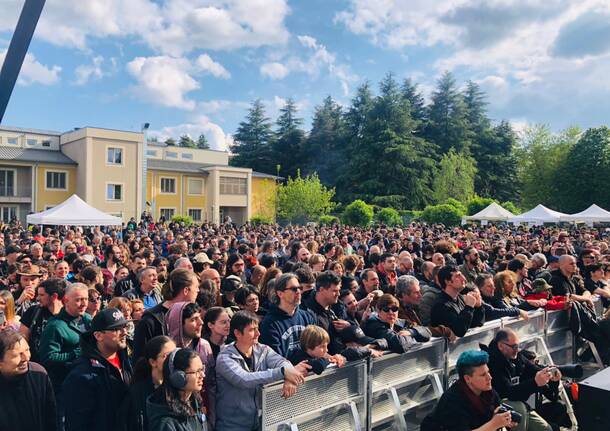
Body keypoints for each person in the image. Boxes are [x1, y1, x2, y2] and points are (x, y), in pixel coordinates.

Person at [215, 311, 310, 431]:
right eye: (252, 330)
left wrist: (288, 378)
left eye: (257, 329)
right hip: (232, 426)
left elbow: (283, 362)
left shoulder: (263, 349)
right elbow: (244, 379)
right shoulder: (224, 358)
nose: (258, 334)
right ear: (237, 333)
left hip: (259, 423)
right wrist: (282, 372)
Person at [62, 308, 133, 431]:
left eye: (125, 327)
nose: (124, 332)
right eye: (116, 329)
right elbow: (77, 423)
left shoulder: (126, 360)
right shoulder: (82, 374)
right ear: (98, 335)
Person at [422, 350, 516, 431]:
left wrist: (502, 420)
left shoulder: (488, 392)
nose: (489, 377)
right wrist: (493, 424)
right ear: (467, 379)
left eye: (488, 372)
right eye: (483, 375)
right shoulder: (452, 401)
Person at [484, 329, 556, 431]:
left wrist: (550, 374)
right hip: (497, 407)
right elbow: (509, 392)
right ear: (500, 346)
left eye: (518, 345)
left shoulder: (516, 357)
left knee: (546, 429)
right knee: (519, 407)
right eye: (514, 346)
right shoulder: (492, 362)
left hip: (519, 405)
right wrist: (535, 383)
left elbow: (533, 369)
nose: (517, 350)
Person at [133, 268, 199, 359]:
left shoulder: (192, 317)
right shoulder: (150, 320)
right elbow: (140, 358)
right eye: (196, 287)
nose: (198, 291)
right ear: (186, 290)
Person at [39, 282, 92, 392]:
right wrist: (74, 354)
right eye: (78, 300)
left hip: (88, 380)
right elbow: (47, 358)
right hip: (66, 384)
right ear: (66, 300)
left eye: (86, 299)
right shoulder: (55, 326)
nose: (83, 304)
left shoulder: (88, 319)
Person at [0, 328, 57, 431]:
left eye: (27, 350)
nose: (26, 358)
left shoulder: (39, 374)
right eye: (17, 355)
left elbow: (51, 417)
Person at [119, 336, 176, 431]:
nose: (172, 360)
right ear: (153, 362)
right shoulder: (138, 392)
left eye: (174, 354)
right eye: (167, 356)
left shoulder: (177, 386)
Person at [147, 348, 208, 431]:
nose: (203, 375)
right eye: (197, 371)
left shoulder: (194, 404)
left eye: (202, 369)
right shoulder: (165, 423)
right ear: (178, 377)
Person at [259, 273, 317, 357]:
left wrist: (330, 358)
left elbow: (318, 345)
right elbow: (275, 359)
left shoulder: (307, 316)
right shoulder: (269, 324)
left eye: (299, 288)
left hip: (311, 367)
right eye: (294, 289)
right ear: (280, 294)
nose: (298, 292)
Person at [19, 277, 66, 362]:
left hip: (61, 366)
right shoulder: (33, 311)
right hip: (35, 365)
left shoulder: (68, 315)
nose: (37, 298)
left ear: (54, 296)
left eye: (41, 295)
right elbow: (22, 339)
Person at [430, 265, 485, 337]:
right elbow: (459, 331)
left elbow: (478, 323)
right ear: (448, 282)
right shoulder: (440, 305)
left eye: (462, 274)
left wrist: (478, 306)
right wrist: (469, 307)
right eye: (458, 276)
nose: (463, 278)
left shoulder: (461, 298)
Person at [396, 275, 455, 339]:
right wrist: (444, 331)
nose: (420, 296)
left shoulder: (411, 306)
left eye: (419, 292)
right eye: (416, 293)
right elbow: (419, 330)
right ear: (404, 294)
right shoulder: (395, 311)